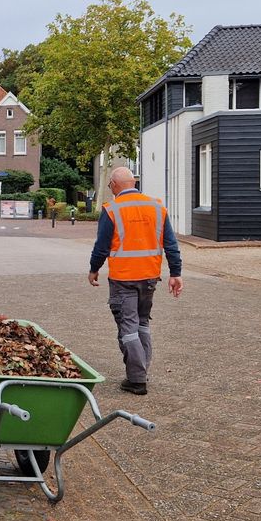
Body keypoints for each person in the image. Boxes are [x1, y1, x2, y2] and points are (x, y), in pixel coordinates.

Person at [87, 167, 183, 396]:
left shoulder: (112, 210)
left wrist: (94, 269)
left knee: (128, 327)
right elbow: (170, 244)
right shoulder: (157, 207)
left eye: (110, 186)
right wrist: (176, 273)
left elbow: (101, 246)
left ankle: (137, 379)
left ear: (114, 184)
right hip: (150, 277)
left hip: (123, 279)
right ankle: (141, 371)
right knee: (142, 324)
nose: (110, 189)